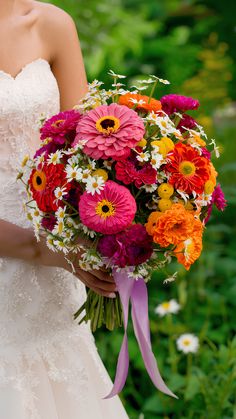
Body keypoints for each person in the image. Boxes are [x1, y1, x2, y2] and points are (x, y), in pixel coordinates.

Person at [0, 1, 129, 417]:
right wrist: (47, 251)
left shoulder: (51, 23)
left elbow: (90, 148)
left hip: (60, 261)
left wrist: (109, 230)